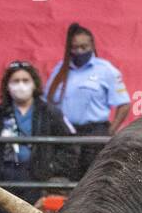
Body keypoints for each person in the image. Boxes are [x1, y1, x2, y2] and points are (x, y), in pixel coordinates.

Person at [0, 60, 80, 213]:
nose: (21, 85)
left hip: (36, 178)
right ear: (7, 86)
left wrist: (51, 167)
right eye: (15, 81)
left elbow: (71, 146)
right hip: (3, 179)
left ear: (34, 84)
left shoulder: (49, 112)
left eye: (25, 81)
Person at [44, 23, 131, 176]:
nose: (79, 51)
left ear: (92, 45)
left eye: (84, 47)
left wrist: (110, 132)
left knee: (91, 179)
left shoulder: (105, 70)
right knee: (65, 180)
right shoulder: (60, 70)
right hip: (65, 133)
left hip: (94, 133)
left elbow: (124, 104)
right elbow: (47, 101)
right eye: (75, 47)